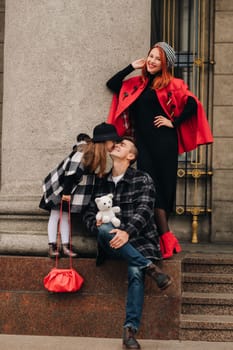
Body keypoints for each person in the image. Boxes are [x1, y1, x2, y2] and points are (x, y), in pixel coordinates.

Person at [106, 42, 213, 259]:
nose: (153, 61)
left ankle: (164, 239)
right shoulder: (136, 83)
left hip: (165, 143)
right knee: (151, 189)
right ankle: (165, 238)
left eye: (158, 59)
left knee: (163, 190)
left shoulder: (172, 84)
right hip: (143, 145)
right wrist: (131, 66)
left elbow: (193, 105)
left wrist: (173, 122)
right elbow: (113, 83)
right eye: (151, 56)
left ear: (165, 65)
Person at [83, 137, 172, 349]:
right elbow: (87, 212)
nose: (118, 145)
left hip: (140, 241)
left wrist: (127, 232)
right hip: (110, 241)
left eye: (124, 145)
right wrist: (93, 223)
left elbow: (144, 210)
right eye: (118, 143)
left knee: (134, 272)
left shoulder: (143, 179)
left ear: (131, 156)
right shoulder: (101, 181)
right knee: (104, 229)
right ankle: (150, 268)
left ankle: (129, 331)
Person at [39, 123, 121, 258]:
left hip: (70, 191)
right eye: (113, 141)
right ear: (105, 141)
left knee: (65, 217)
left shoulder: (96, 155)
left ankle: (65, 246)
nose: (115, 144)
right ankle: (52, 245)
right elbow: (70, 175)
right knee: (55, 216)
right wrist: (65, 194)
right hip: (61, 189)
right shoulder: (84, 153)